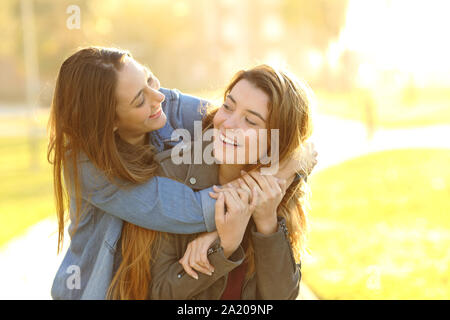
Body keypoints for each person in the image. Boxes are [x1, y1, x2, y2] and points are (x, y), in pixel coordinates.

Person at [48, 47, 308, 299]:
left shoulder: (169, 106)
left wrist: (271, 205)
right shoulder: (90, 166)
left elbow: (287, 133)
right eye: (140, 99)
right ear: (111, 122)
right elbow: (190, 210)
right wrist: (225, 240)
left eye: (150, 80)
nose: (158, 97)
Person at [109, 65, 315, 299]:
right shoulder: (171, 173)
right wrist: (223, 248)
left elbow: (282, 296)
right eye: (227, 107)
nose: (227, 124)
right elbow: (156, 293)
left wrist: (266, 223)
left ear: (276, 139)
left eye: (251, 121)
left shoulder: (279, 186)